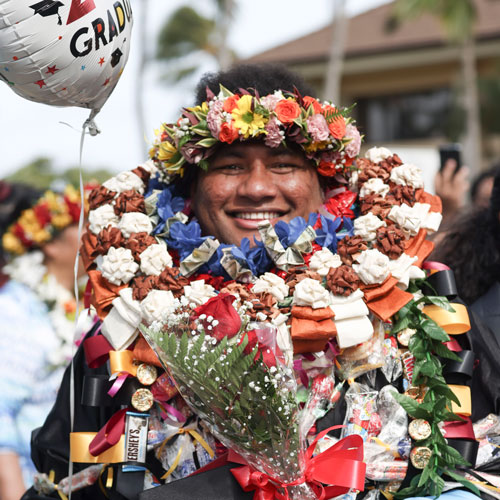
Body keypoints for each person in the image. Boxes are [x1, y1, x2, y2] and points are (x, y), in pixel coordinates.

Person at [25, 64, 485, 500]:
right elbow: (61, 475)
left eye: (284, 164)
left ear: (325, 184)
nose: (257, 188)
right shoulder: (131, 320)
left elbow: (476, 463)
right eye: (230, 166)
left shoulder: (406, 301)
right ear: (190, 187)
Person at [0, 182, 92, 500]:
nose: (94, 234)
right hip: (29, 486)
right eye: (84, 225)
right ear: (49, 244)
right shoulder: (13, 311)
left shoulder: (79, 302)